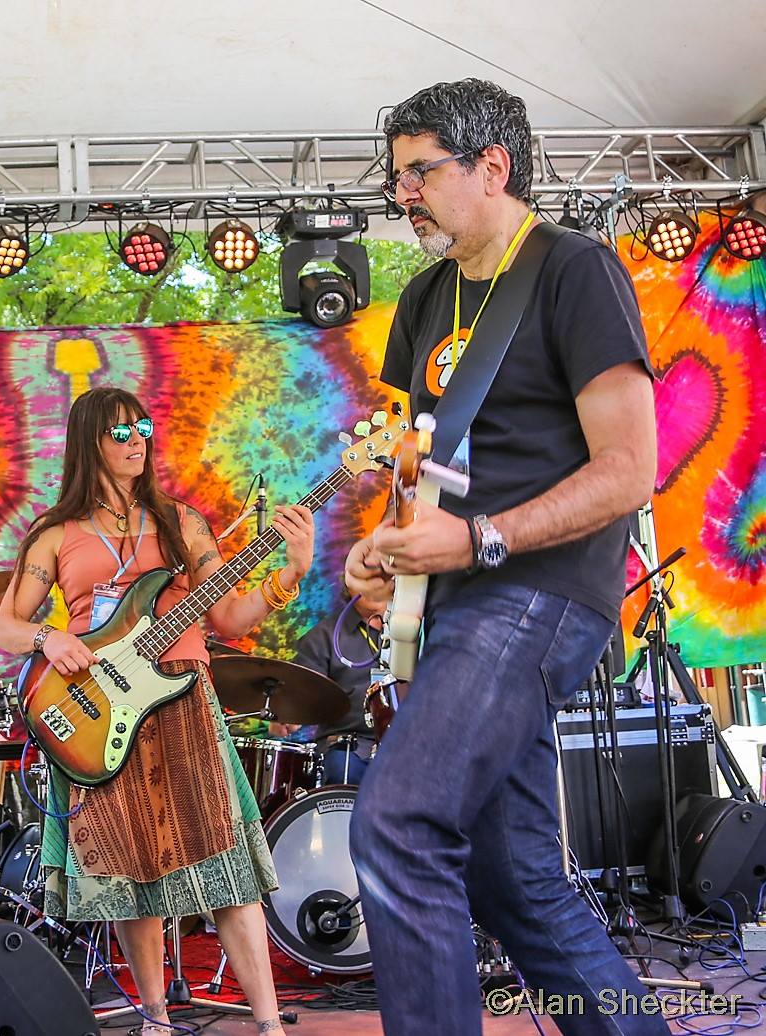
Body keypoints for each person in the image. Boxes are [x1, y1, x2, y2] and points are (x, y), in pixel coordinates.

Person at [344, 79, 661, 1035]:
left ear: (494, 166)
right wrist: (384, 548)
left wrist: (480, 538)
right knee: (513, 882)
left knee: (397, 825)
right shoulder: (424, 301)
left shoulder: (574, 270)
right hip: (453, 602)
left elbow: (630, 470)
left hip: (540, 590)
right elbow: (411, 466)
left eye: (421, 173)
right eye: (397, 177)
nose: (403, 196)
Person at [0, 386, 314, 1036]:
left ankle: (269, 1024)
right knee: (129, 876)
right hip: (99, 714)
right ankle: (157, 1019)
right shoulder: (55, 535)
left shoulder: (181, 522)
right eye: (121, 431)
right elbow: (4, 626)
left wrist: (290, 574)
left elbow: (228, 615)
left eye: (142, 426)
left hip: (184, 703)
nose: (137, 438)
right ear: (90, 441)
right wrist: (49, 637)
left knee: (228, 871)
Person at [275, 592, 385, 784]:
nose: (376, 582)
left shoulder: (422, 630)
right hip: (349, 745)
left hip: (407, 741)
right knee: (343, 769)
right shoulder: (323, 636)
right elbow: (300, 694)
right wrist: (288, 713)